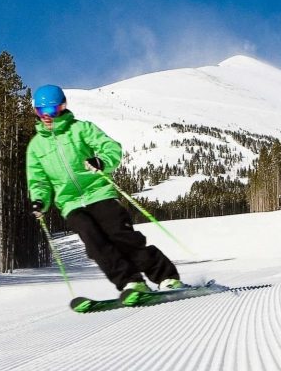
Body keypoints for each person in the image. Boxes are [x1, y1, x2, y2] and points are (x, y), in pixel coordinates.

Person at [24, 84, 185, 298]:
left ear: (62, 107)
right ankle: (131, 283)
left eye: (52, 110)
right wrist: (39, 201)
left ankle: (166, 277)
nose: (46, 116)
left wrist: (102, 161)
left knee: (121, 235)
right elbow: (39, 181)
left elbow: (111, 148)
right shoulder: (36, 147)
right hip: (70, 203)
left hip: (99, 192)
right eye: (40, 111)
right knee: (95, 244)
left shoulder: (81, 129)